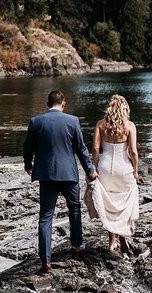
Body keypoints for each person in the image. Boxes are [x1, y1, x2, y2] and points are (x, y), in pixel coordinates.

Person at [24, 89, 98, 273]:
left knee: (46, 215)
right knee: (74, 208)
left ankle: (46, 260)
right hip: (68, 174)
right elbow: (81, 149)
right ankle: (76, 244)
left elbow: (28, 146)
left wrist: (28, 163)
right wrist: (90, 171)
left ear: (48, 104)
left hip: (46, 175)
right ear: (63, 104)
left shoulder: (36, 121)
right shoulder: (72, 121)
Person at [86, 94, 141, 255]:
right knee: (124, 200)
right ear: (125, 109)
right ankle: (122, 234)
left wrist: (94, 168)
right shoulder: (129, 126)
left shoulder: (101, 125)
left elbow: (95, 149)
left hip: (105, 167)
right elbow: (133, 151)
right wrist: (135, 170)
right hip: (123, 168)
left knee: (108, 202)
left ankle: (112, 242)